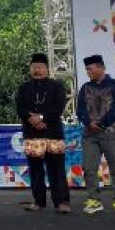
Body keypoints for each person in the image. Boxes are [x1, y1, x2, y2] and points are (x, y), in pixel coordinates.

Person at [15, 54, 70, 214]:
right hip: (32, 134)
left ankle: (62, 202)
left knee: (57, 169)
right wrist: (32, 119)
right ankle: (38, 201)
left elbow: (59, 107)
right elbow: (20, 108)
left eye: (40, 67)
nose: (37, 70)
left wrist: (41, 117)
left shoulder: (57, 86)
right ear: (30, 69)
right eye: (34, 67)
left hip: (53, 133)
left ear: (46, 69)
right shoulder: (24, 88)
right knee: (35, 169)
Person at [76, 55, 115, 216]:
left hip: (112, 133)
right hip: (90, 134)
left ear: (101, 68)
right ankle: (94, 200)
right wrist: (88, 123)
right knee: (89, 168)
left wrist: (101, 124)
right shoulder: (85, 87)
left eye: (90, 69)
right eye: (86, 69)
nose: (88, 72)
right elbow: (80, 109)